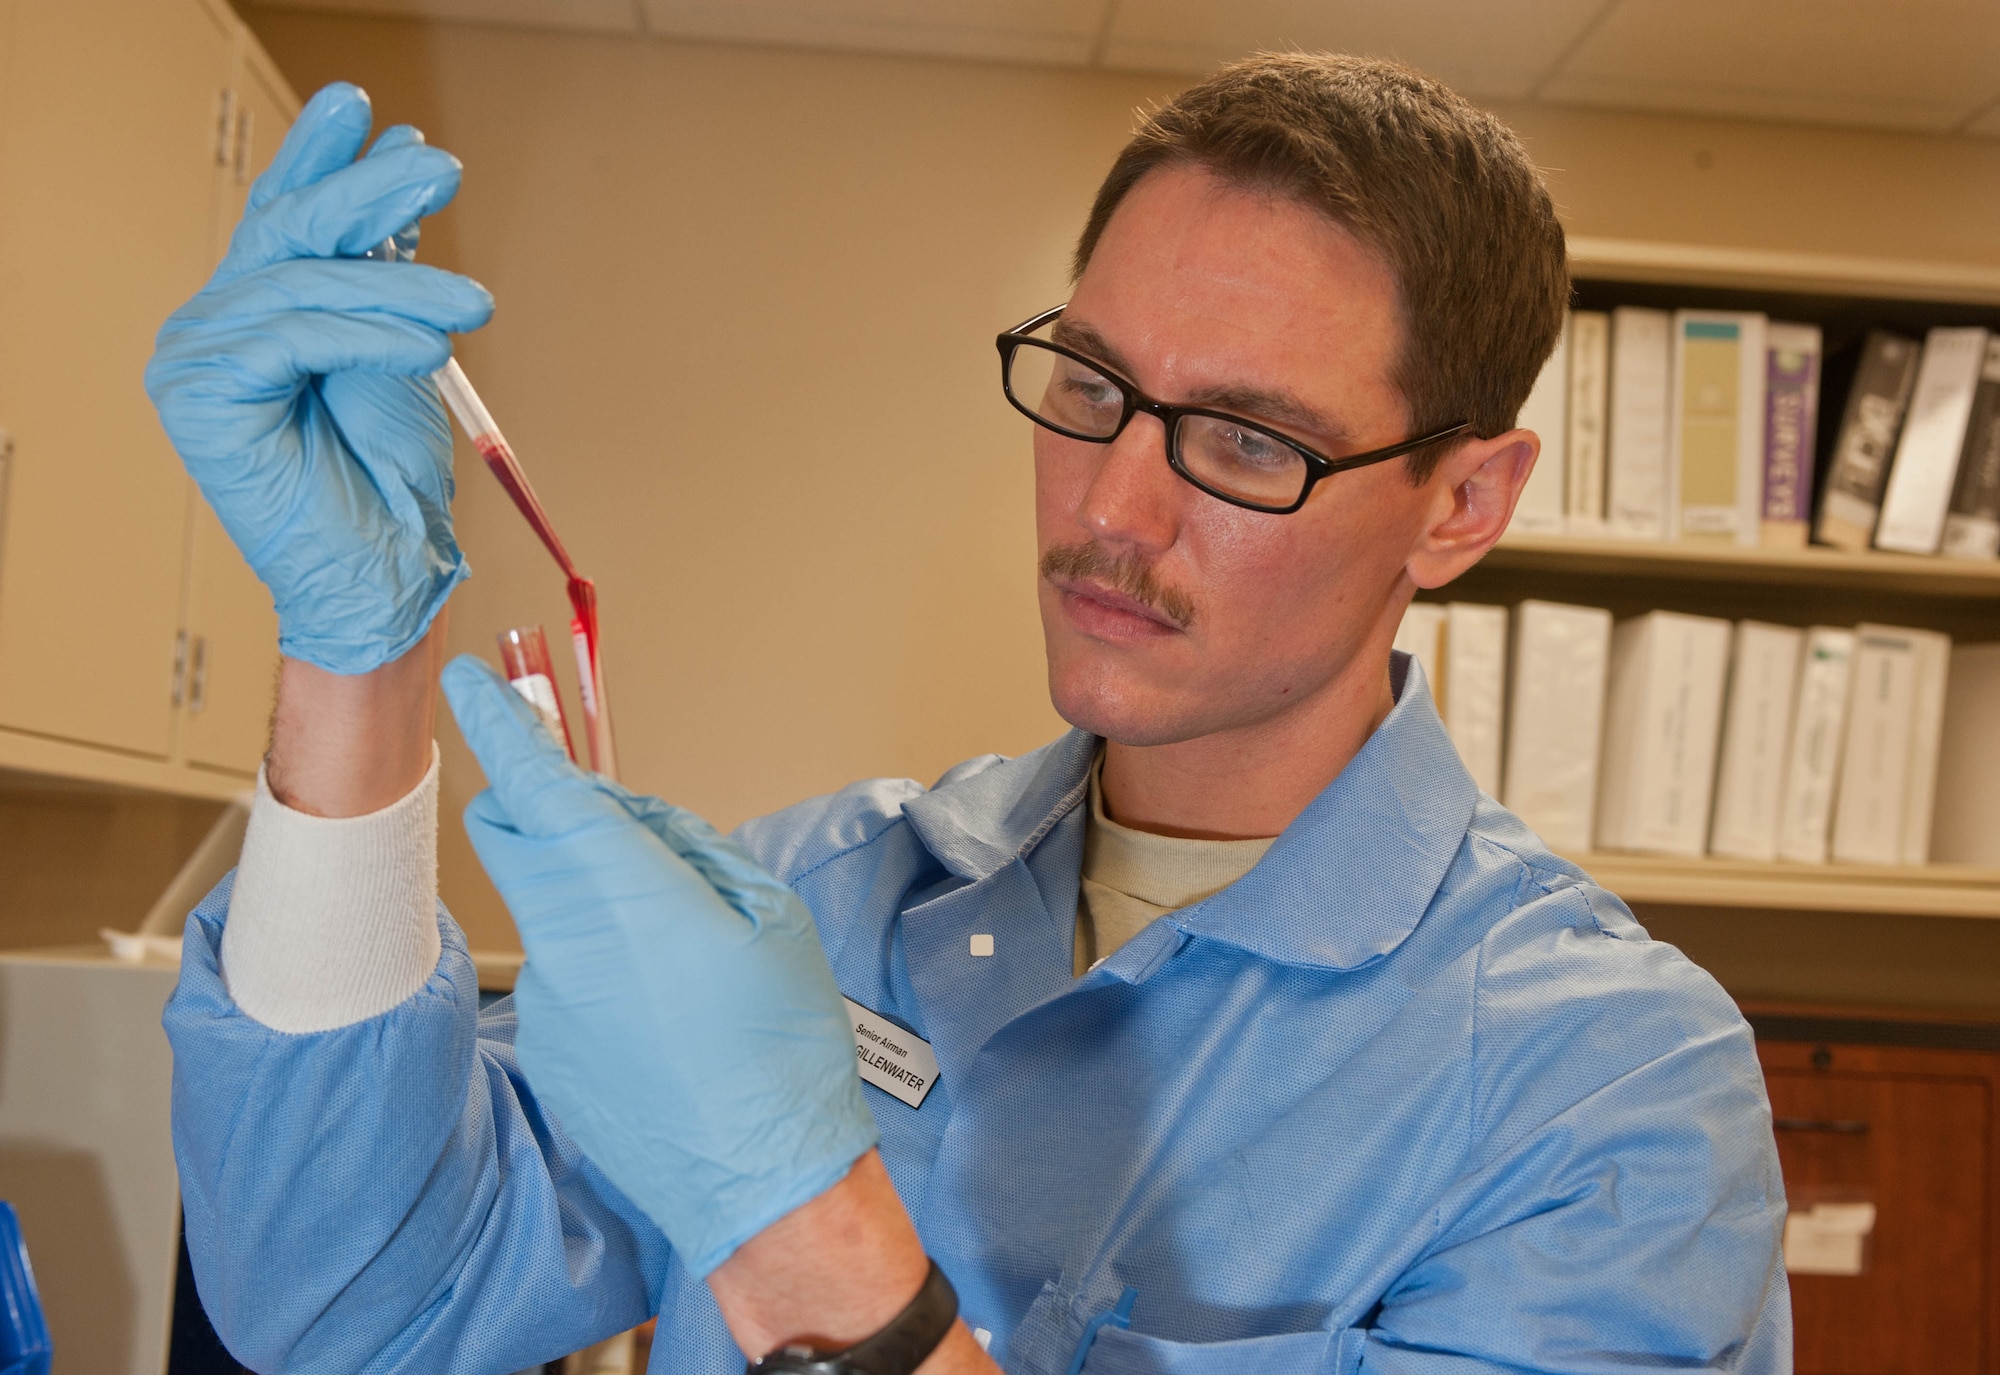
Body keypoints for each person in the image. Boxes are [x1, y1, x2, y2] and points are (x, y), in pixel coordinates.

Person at [146, 54, 1790, 1375]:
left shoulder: (1608, 1088)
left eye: (1246, 441)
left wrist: (804, 1213)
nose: (1113, 512)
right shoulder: (824, 898)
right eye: (1090, 388)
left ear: (1462, 504)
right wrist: (353, 651)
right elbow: (347, 1309)